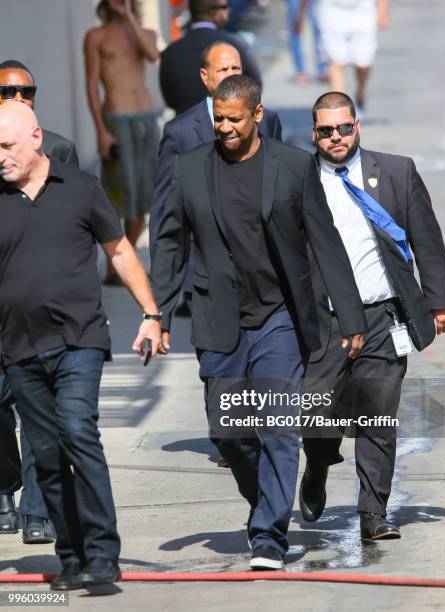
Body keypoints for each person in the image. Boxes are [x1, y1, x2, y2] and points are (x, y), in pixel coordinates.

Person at [150, 75, 367, 570]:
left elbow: (325, 241)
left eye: (234, 118)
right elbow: (168, 245)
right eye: (218, 118)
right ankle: (262, 504)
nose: (224, 127)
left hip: (279, 317)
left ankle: (269, 534)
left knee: (276, 425)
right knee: (227, 430)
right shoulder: (189, 169)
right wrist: (155, 313)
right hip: (218, 315)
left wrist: (349, 315)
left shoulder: (291, 166)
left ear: (257, 114)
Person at [0, 101, 163, 590]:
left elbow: (119, 251)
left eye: (6, 146)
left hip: (79, 341)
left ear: (35, 138)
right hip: (19, 349)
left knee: (77, 431)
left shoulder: (81, 189)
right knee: (46, 455)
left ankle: (101, 552)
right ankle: (70, 556)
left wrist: (151, 315)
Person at [299, 91, 445, 540]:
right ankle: (317, 460)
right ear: (314, 133)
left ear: (357, 127)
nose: (335, 137)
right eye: (326, 130)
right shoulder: (299, 178)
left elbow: (426, 237)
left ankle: (373, 514)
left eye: (343, 128)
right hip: (325, 322)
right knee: (315, 413)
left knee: (377, 416)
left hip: (382, 318)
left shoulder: (394, 171)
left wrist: (441, 299)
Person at [0, 59, 79, 545]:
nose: (18, 97)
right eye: (7, 90)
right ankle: (4, 484)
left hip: (45, 303)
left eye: (26, 89)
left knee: (37, 406)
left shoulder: (61, 150)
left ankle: (35, 506)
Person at [150, 42, 283, 318]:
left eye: (237, 68)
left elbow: (280, 192)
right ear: (204, 76)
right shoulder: (181, 132)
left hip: (262, 268)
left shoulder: (267, 119)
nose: (232, 74)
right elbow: (164, 210)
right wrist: (164, 286)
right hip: (204, 272)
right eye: (223, 69)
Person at [84, 0, 160, 285]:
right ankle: (114, 267)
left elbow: (152, 54)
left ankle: (125, 261)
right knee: (117, 197)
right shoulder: (96, 37)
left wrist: (129, 16)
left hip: (146, 120)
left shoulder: (143, 32)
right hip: (116, 120)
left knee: (144, 195)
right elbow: (91, 85)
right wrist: (101, 131)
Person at [159, 0, 262, 115]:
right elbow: (255, 86)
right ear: (214, 13)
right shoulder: (235, 44)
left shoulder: (171, 51)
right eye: (225, 7)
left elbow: (170, 101)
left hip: (185, 127)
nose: (229, 10)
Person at [316, 0, 389, 113]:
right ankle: (341, 110)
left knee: (363, 64)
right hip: (333, 10)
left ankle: (360, 91)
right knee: (336, 62)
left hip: (363, 11)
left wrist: (382, 10)